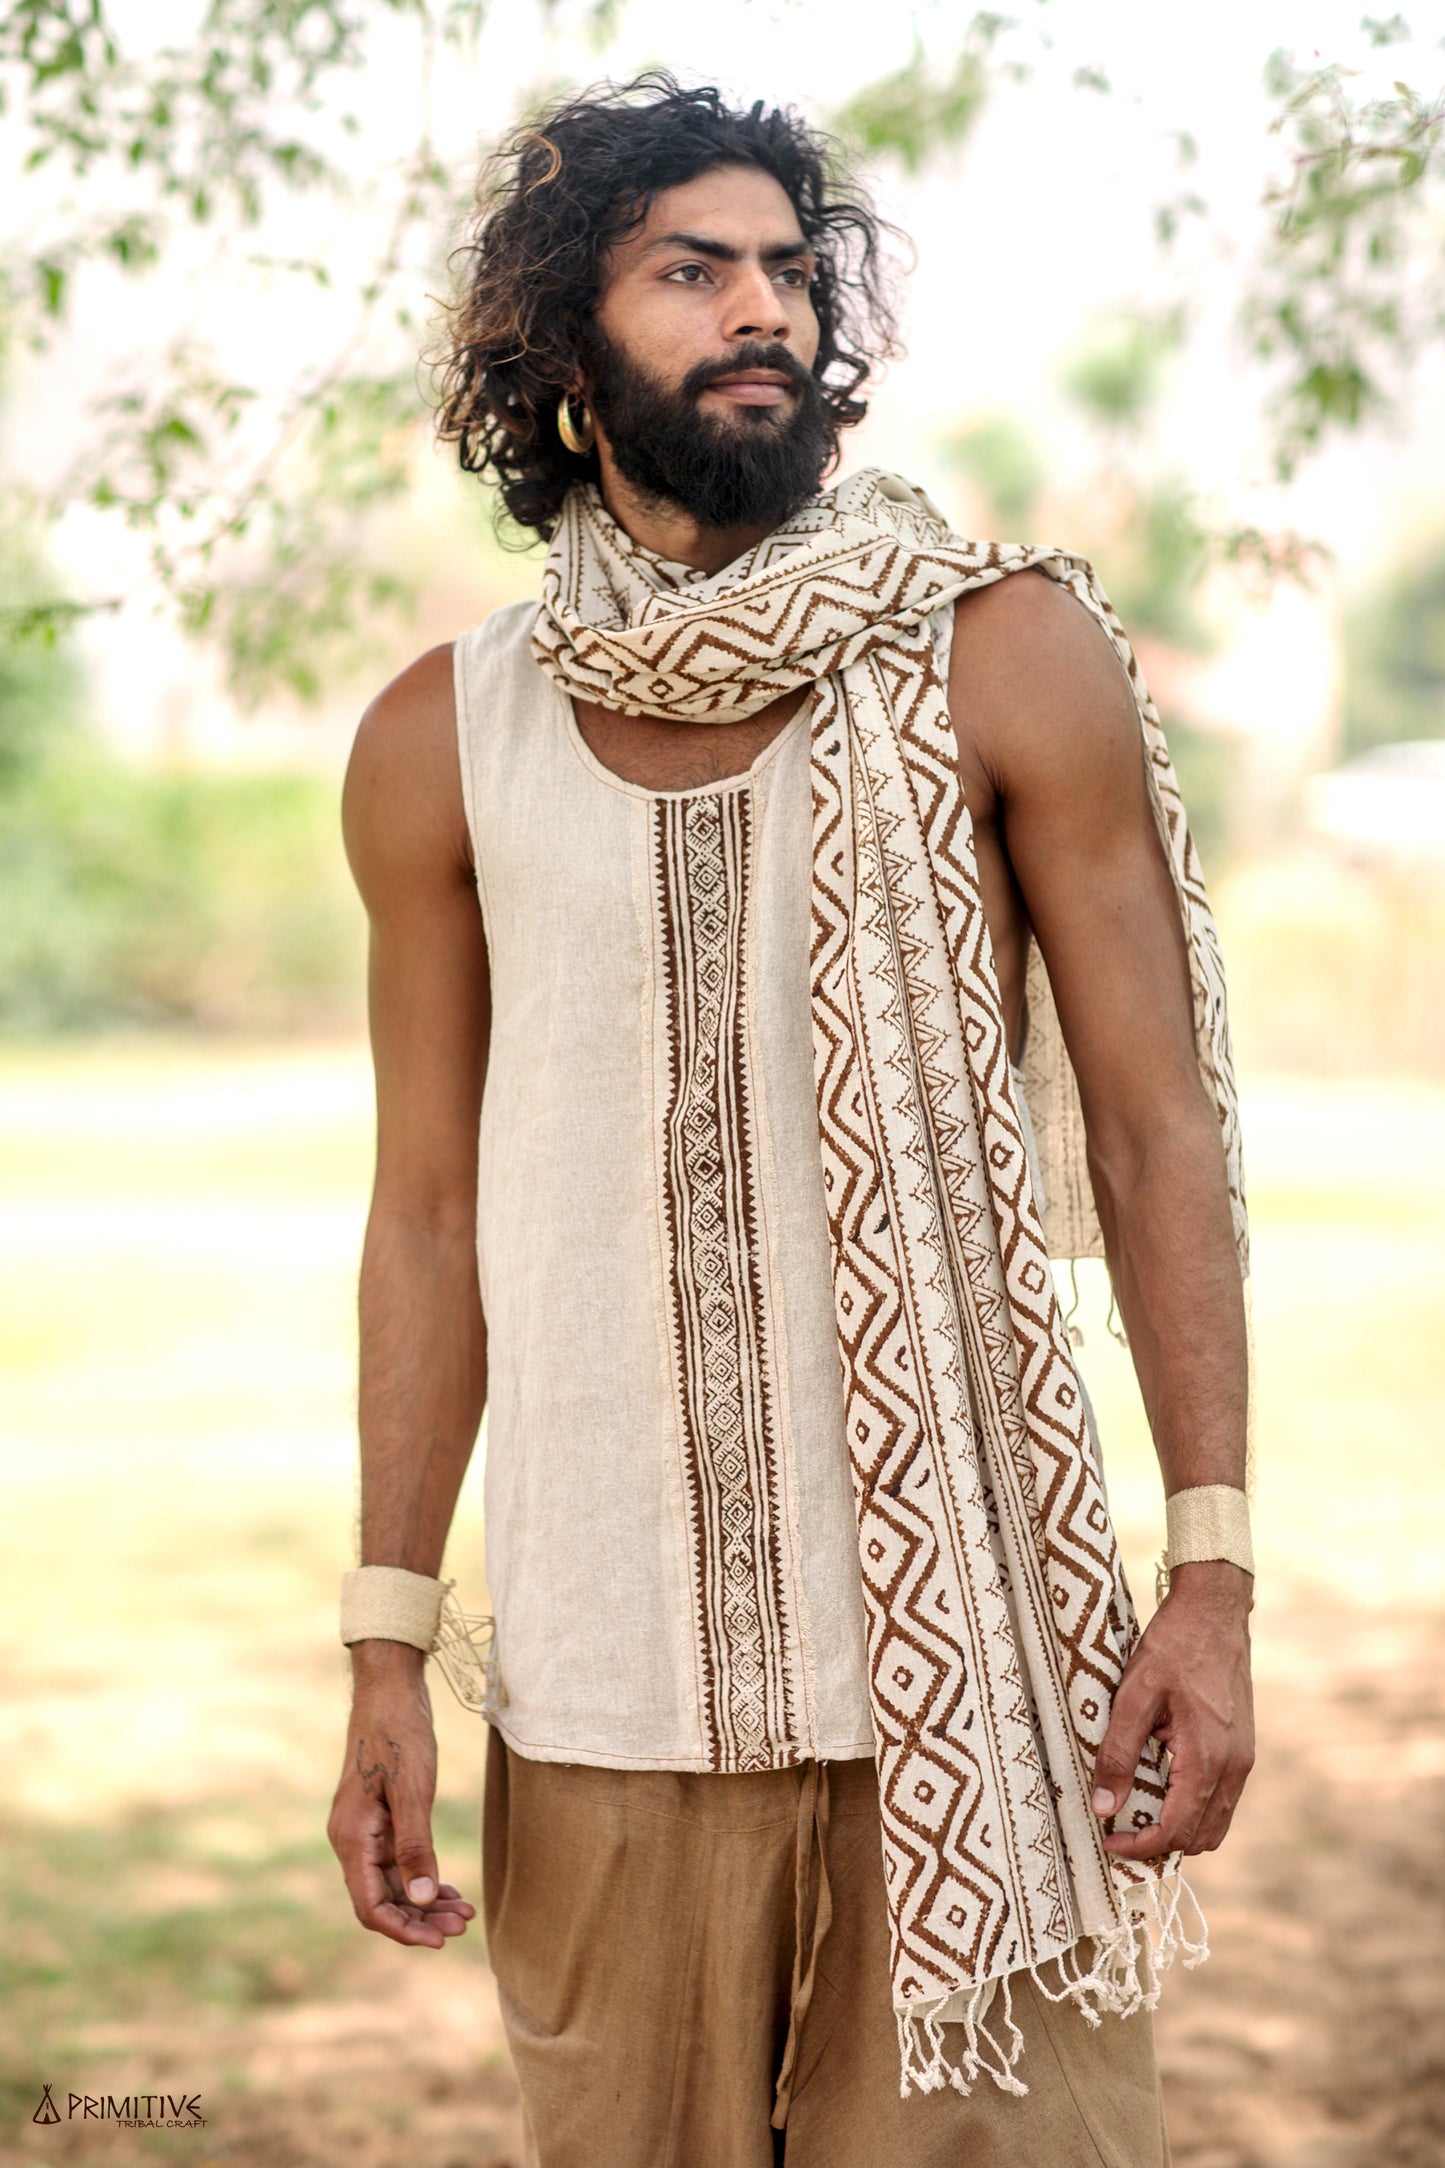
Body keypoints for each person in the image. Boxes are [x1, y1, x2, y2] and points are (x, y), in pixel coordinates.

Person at [326, 74, 1256, 2168]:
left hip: (990, 1694)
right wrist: (388, 1644)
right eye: (693, 272)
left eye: (787, 269)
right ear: (567, 355)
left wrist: (1212, 1578)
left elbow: (1154, 1135)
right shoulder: (437, 740)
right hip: (599, 1691)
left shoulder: (1004, 656)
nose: (766, 310)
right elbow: (424, 1214)